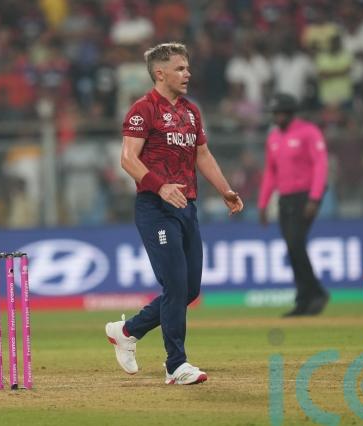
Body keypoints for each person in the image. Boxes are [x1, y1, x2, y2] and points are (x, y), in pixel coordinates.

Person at [105, 42, 243, 385]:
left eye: (187, 68)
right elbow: (127, 159)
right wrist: (160, 186)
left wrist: (224, 189)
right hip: (156, 209)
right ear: (160, 73)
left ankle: (127, 331)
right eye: (180, 68)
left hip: (186, 207)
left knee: (189, 290)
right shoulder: (143, 110)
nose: (187, 74)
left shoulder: (191, 111)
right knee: (176, 286)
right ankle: (176, 365)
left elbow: (203, 155)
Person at [258, 93, 330, 317]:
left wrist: (315, 198)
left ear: (290, 113)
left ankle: (315, 294)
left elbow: (320, 164)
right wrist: (263, 203)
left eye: (281, 113)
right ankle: (305, 299)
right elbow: (270, 172)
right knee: (292, 247)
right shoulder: (273, 138)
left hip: (305, 197)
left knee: (295, 243)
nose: (277, 117)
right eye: (275, 113)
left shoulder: (308, 132)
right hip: (285, 198)